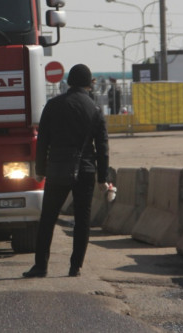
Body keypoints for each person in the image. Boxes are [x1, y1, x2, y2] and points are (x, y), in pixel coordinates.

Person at [23, 63, 109, 278]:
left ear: (69, 82)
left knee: (48, 218)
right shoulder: (94, 110)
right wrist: (103, 177)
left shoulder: (53, 105)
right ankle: (75, 267)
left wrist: (40, 169)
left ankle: (41, 266)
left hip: (58, 169)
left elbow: (42, 141)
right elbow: (102, 147)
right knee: (82, 219)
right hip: (86, 170)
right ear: (89, 83)